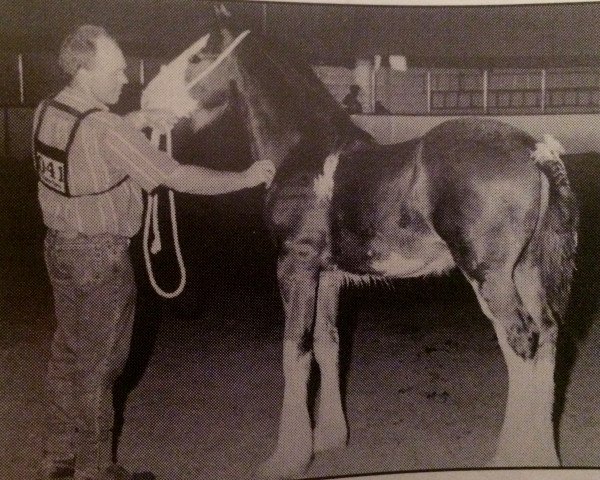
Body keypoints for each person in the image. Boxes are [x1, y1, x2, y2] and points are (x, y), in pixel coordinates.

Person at [34, 25, 275, 480]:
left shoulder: (50, 110)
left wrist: (140, 122)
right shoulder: (105, 127)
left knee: (68, 355)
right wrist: (243, 178)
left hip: (60, 250)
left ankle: (57, 456)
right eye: (116, 70)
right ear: (85, 71)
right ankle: (94, 469)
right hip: (99, 259)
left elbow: (92, 141)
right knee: (100, 368)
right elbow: (176, 176)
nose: (126, 80)